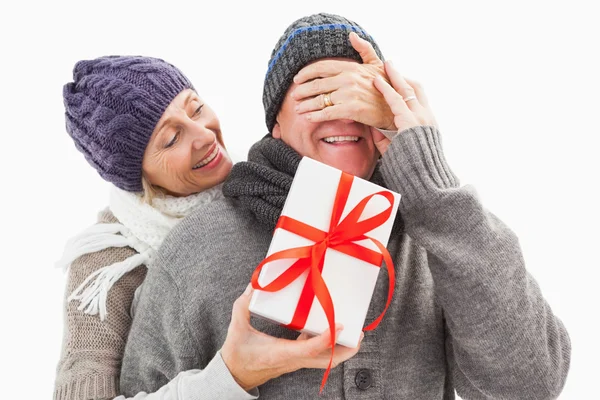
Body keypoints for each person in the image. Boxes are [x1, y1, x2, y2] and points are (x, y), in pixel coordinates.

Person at [120, 13, 571, 399]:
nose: (343, 114)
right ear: (275, 122)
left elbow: (531, 384)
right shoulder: (198, 246)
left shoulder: (443, 231)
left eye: (362, 96)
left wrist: (430, 179)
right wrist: (231, 376)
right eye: (317, 94)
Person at [54, 56, 233, 400]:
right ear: (139, 177)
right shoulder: (106, 267)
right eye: (171, 140)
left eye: (195, 109)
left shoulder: (254, 187)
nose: (204, 135)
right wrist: (228, 378)